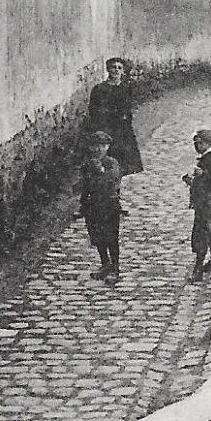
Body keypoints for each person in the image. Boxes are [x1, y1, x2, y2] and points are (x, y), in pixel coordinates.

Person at [79, 130, 125, 284]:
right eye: (96, 146)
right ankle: (105, 264)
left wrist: (100, 171)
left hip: (109, 205)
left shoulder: (112, 163)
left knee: (111, 237)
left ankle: (115, 268)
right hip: (93, 206)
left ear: (108, 147)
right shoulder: (88, 164)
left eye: (103, 146)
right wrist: (83, 203)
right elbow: (85, 185)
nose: (99, 149)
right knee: (97, 237)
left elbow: (112, 181)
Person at [88, 58, 143, 175]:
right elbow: (93, 109)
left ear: (123, 71)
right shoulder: (100, 89)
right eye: (113, 67)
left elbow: (128, 106)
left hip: (122, 127)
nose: (116, 70)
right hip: (107, 126)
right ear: (108, 69)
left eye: (119, 68)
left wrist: (126, 118)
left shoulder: (126, 88)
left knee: (124, 158)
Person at [184, 129, 211, 281]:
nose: (196, 145)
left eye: (200, 143)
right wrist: (191, 181)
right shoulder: (204, 159)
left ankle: (198, 268)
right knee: (208, 231)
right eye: (195, 142)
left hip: (210, 203)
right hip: (203, 203)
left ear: (208, 144)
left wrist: (202, 175)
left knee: (202, 233)